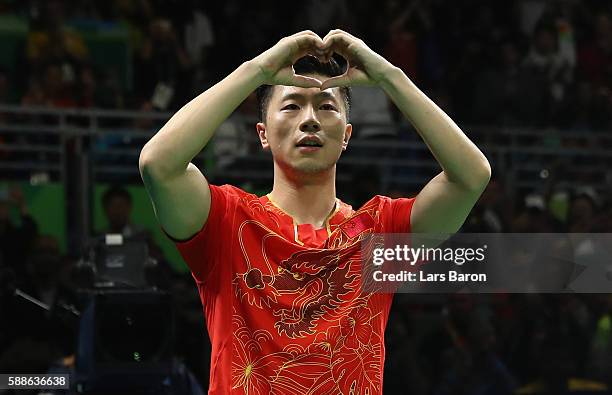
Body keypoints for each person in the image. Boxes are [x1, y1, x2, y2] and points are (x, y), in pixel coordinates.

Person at [139, 30, 491, 394]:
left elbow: (471, 177)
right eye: (291, 106)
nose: (310, 119)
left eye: (326, 107)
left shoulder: (379, 235)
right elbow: (158, 164)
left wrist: (389, 76)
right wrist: (258, 69)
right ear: (262, 134)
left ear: (347, 136)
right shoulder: (227, 222)